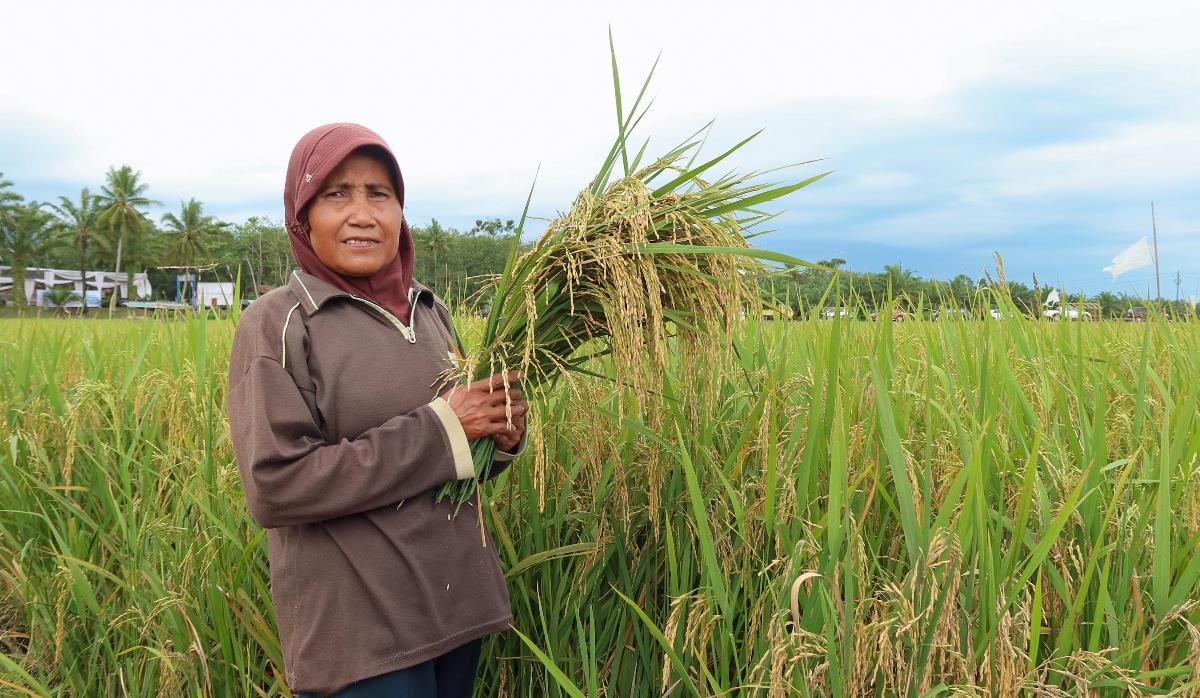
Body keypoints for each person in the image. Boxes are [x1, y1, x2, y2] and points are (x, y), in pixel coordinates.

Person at [227, 123, 528, 697]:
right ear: (303, 215)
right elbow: (276, 486)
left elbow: (458, 459)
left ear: (400, 212)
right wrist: (444, 428)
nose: (362, 213)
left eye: (379, 193)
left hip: (456, 607)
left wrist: (500, 436)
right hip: (362, 633)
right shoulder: (279, 322)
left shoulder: (430, 311)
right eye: (336, 194)